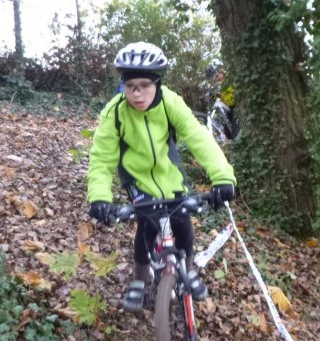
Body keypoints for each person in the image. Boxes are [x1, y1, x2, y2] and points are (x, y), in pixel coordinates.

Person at [87, 42, 237, 311]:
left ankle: (187, 270)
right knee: (148, 220)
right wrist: (100, 198)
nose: (137, 93)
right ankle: (140, 278)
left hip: (170, 176)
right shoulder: (115, 112)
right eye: (130, 85)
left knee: (181, 220)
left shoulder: (170, 102)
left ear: (157, 83)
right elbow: (101, 158)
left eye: (144, 85)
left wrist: (222, 177)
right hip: (137, 180)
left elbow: (198, 137)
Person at [205, 58, 238, 139]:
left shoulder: (229, 80)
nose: (216, 77)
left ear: (222, 72)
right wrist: (214, 95)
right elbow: (222, 95)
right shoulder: (221, 84)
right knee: (228, 132)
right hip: (229, 108)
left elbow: (230, 93)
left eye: (217, 74)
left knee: (235, 130)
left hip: (236, 107)